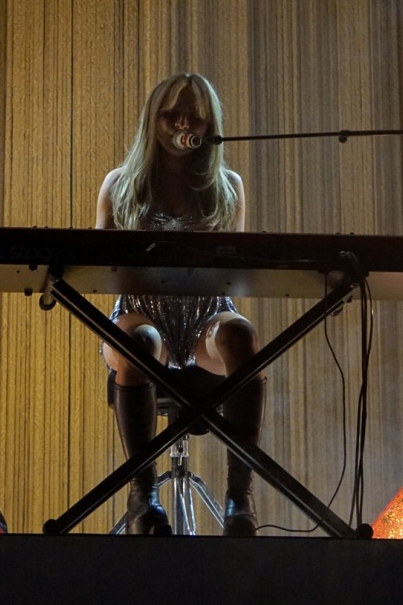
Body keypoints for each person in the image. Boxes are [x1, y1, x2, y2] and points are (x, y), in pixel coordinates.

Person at [97, 72, 266, 537]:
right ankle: (143, 496)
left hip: (205, 318)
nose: (182, 124)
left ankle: (239, 498)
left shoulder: (227, 186)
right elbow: (97, 269)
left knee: (241, 334)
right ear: (153, 119)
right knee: (140, 340)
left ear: (210, 126)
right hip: (139, 314)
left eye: (195, 116)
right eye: (172, 114)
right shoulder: (120, 184)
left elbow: (234, 271)